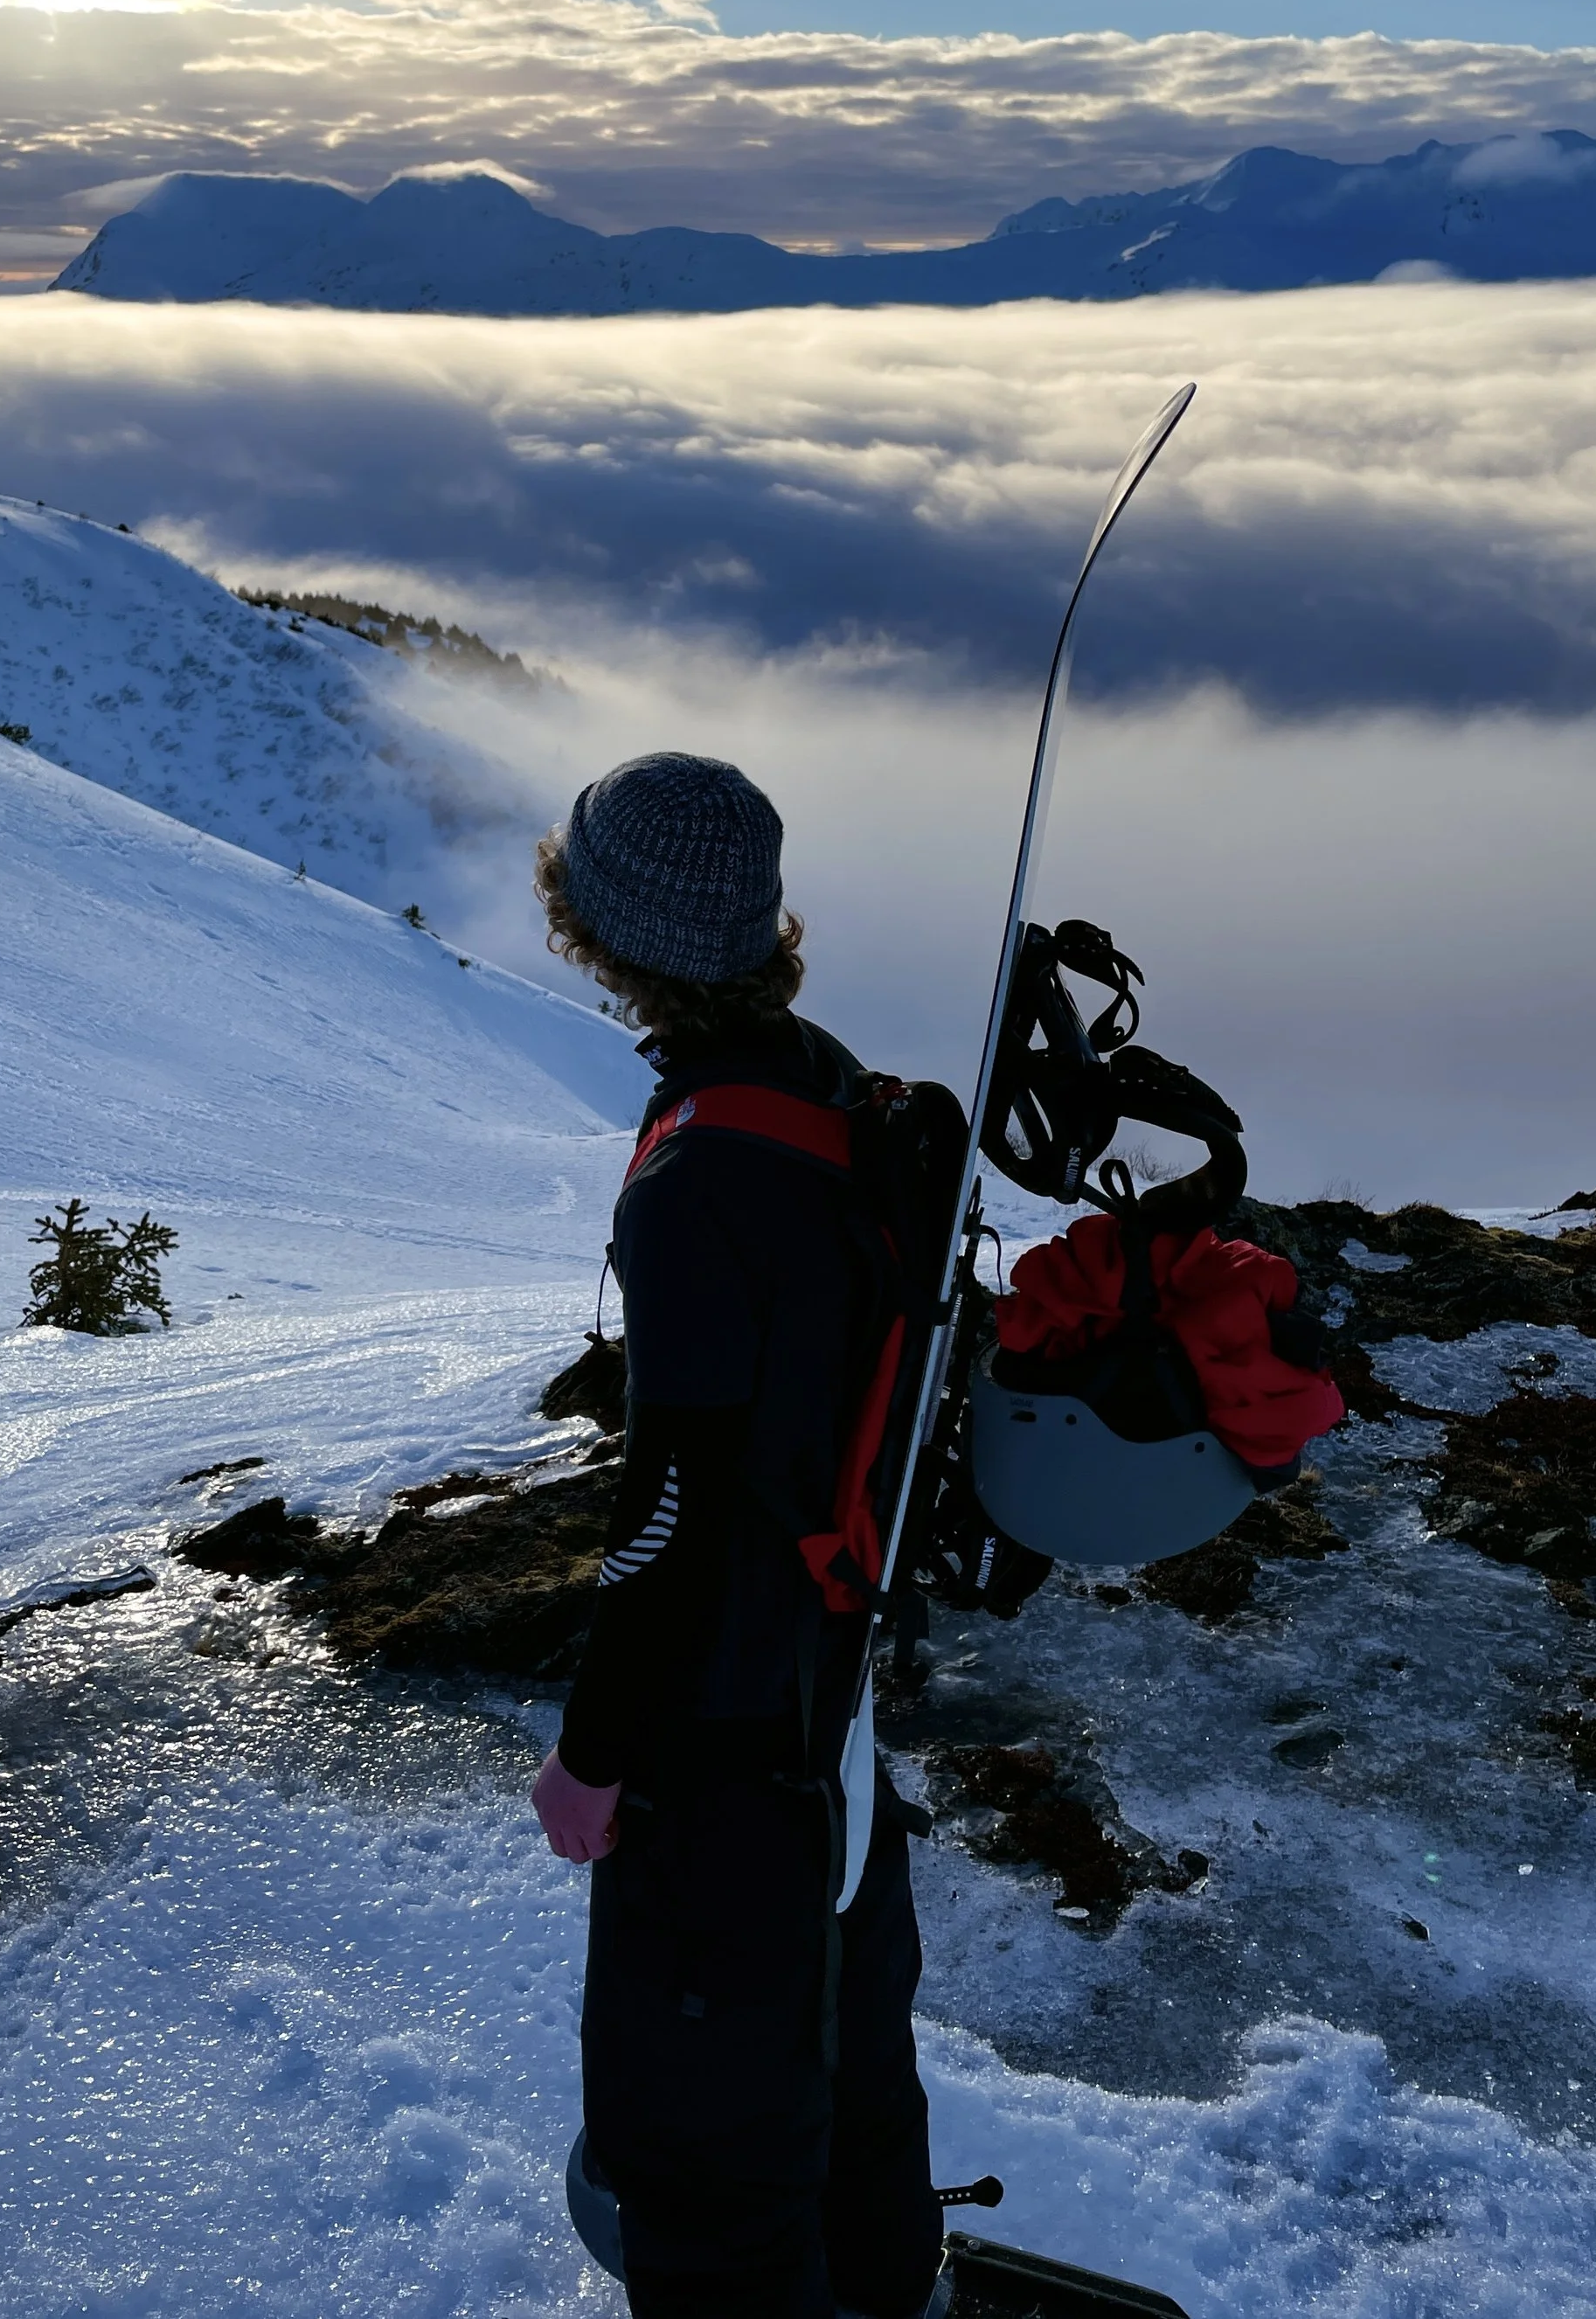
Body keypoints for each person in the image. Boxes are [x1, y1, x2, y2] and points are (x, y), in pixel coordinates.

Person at [529, 751, 946, 2319]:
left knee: (704, 2163)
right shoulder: (838, 1093)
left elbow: (675, 1507)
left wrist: (592, 1752)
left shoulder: (698, 1177)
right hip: (836, 1725)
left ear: (601, 930)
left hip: (721, 1755)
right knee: (849, 2086)